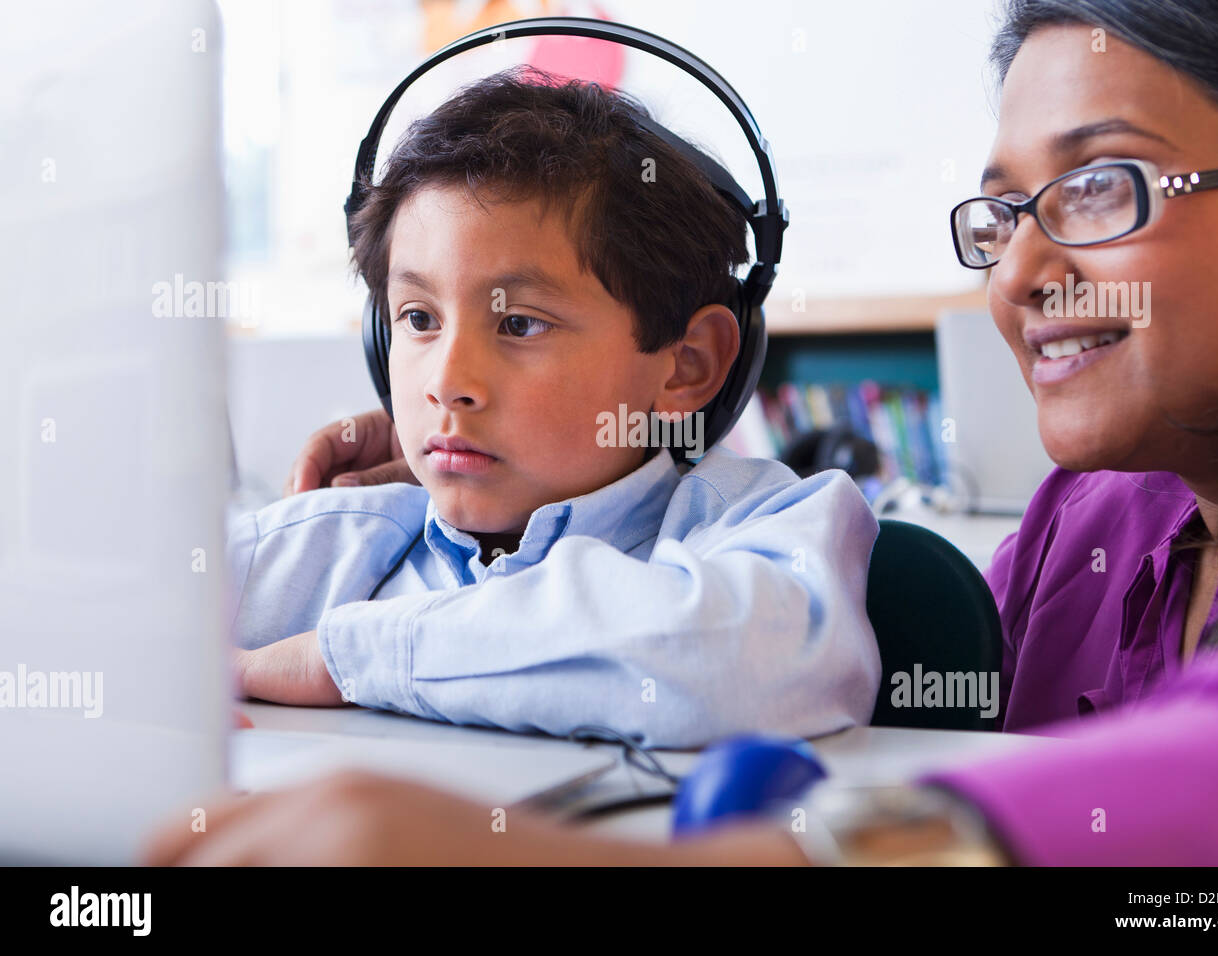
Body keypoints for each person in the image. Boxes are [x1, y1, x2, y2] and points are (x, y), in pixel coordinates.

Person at [147, 0, 1218, 865]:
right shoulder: (1086, 521)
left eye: (1102, 185)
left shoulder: (782, 531)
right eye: (1003, 213)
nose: (1021, 272)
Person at [228, 69, 880, 749]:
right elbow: (116, 610)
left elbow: (734, 670)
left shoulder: (770, 522)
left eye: (518, 325)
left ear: (687, 364)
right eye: (418, 317)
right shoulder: (331, 542)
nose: (448, 383)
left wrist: (345, 658)